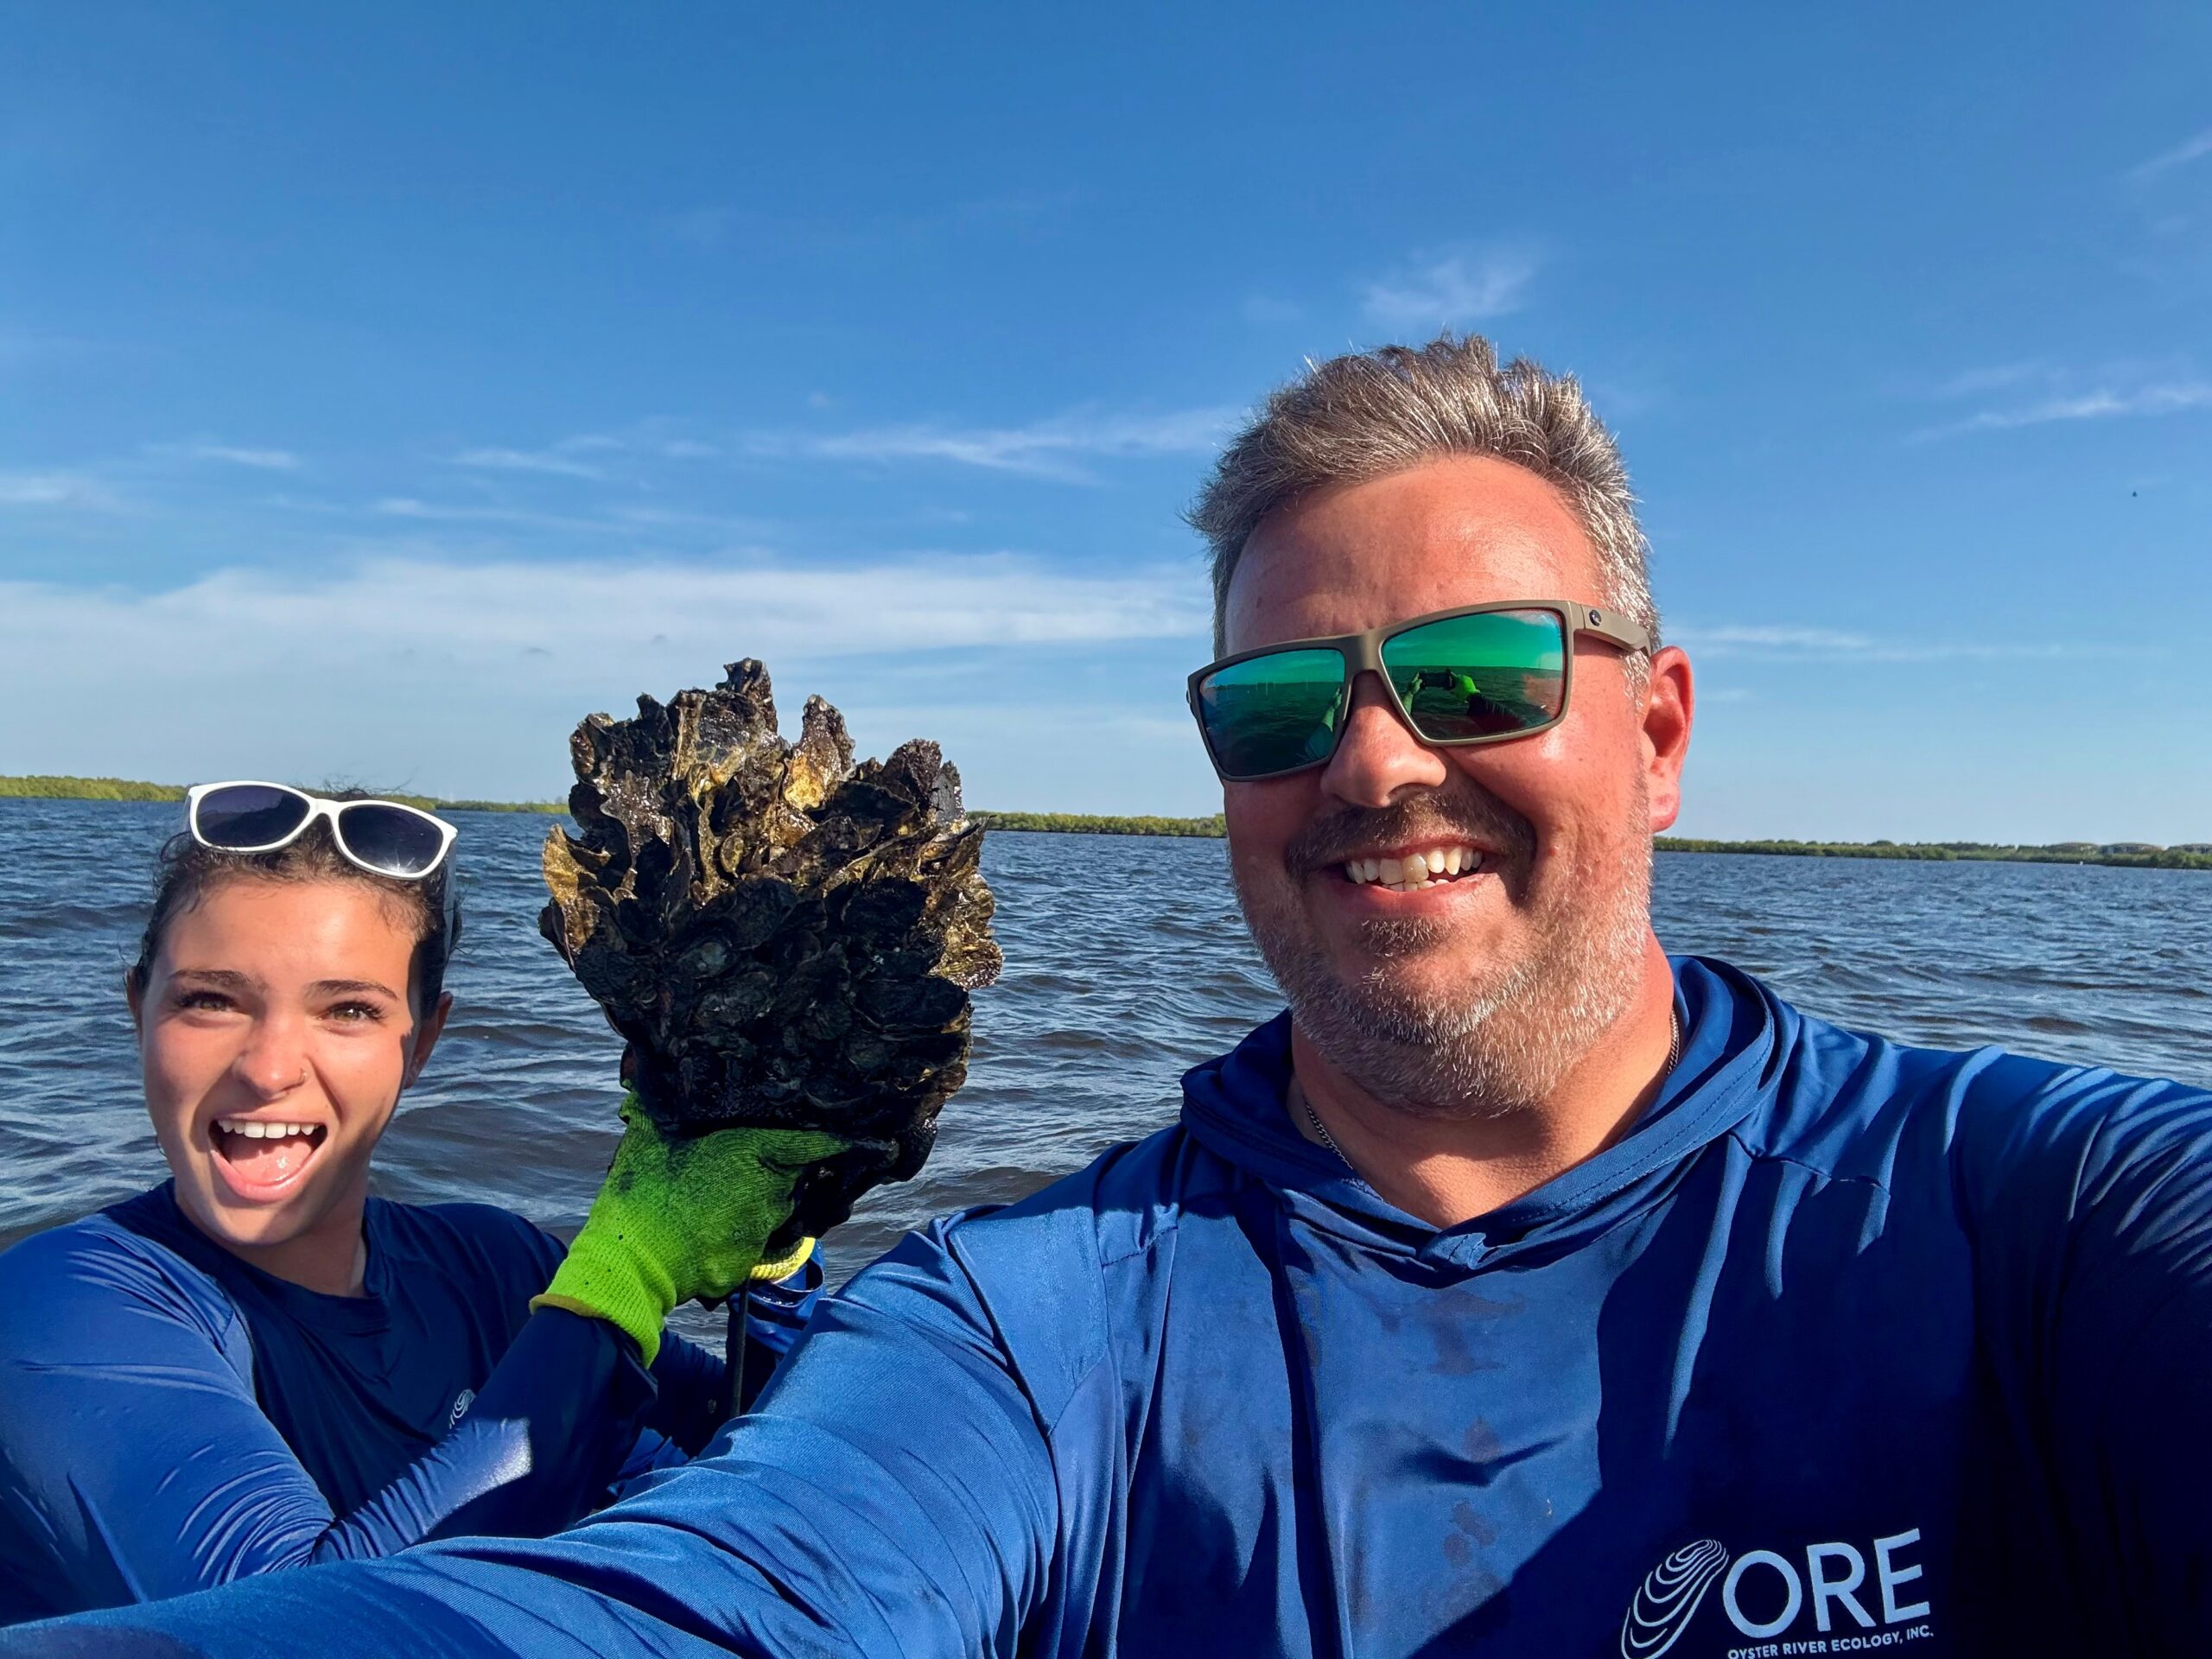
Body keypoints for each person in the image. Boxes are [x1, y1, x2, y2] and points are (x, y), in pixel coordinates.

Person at [10, 336, 2212, 1658]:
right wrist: (634, 1285)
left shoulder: (2027, 1215)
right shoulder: (1053, 1317)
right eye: (1276, 706)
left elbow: (694, 1452)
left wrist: (737, 1286)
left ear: (1654, 728)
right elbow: (691, 1596)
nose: (1369, 759)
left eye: (1474, 676)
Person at [0, 784, 833, 1625]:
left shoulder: (497, 1269)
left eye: (349, 1010)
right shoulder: (60, 1308)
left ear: (422, 1041)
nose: (269, 1067)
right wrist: (626, 1280)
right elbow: (307, 1628)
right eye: (209, 999)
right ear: (139, 1009)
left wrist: (777, 1246)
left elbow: (760, 1442)